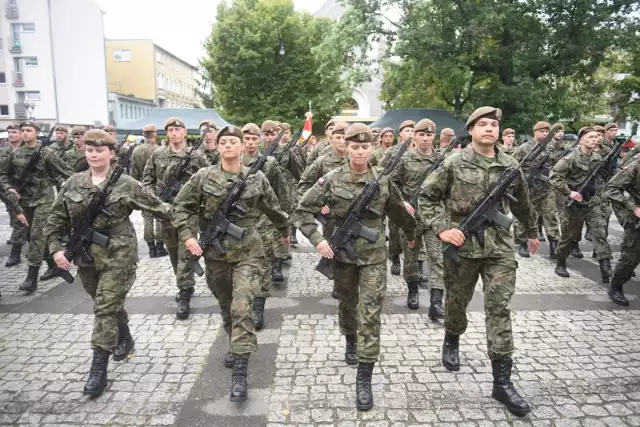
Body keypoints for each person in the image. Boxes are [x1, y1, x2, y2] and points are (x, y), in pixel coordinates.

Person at [419, 107, 538, 417]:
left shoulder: (510, 164)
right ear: (470, 130)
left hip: (499, 247)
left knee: (499, 308)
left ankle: (502, 382)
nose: (489, 129)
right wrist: (444, 228)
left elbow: (523, 202)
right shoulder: (454, 162)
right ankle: (452, 338)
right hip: (464, 245)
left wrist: (533, 231)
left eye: (494, 124)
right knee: (456, 302)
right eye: (482, 124)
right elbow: (427, 197)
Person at [295, 123, 416, 411]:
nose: (360, 151)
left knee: (371, 312)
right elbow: (302, 209)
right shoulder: (332, 179)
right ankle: (350, 338)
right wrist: (317, 239)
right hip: (343, 256)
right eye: (354, 146)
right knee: (348, 305)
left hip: (374, 256)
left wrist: (412, 235)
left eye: (365, 147)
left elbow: (399, 211)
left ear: (371, 148)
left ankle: (364, 376)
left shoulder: (383, 181)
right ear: (345, 147)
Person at [43, 129, 172, 397]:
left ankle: (98, 368)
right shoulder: (73, 183)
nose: (94, 154)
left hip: (119, 254)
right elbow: (56, 219)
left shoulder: (126, 183)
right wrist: (56, 249)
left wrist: (188, 220)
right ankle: (124, 336)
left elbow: (159, 208)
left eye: (99, 150)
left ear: (111, 154)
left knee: (104, 308)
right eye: (90, 150)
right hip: (87, 258)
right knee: (106, 303)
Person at [173, 125, 290, 402]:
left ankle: (240, 370)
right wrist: (188, 235)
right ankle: (234, 339)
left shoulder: (257, 177)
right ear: (218, 146)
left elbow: (273, 209)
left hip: (249, 251)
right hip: (215, 253)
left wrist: (285, 233)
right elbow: (181, 206)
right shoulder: (203, 176)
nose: (227, 145)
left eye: (232, 142)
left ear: (241, 146)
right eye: (223, 141)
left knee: (242, 307)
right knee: (227, 307)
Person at [142, 117, 210, 319]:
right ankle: (184, 283)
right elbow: (147, 180)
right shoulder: (158, 154)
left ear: (184, 133)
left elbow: (208, 178)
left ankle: (185, 291)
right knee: (172, 251)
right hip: (166, 211)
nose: (174, 133)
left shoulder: (196, 156)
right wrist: (154, 201)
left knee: (185, 251)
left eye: (177, 129)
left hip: (188, 212)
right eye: (170, 130)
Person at [0, 120, 74, 291]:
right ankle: (53, 265)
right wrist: (9, 187)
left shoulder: (46, 153)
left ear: (36, 133)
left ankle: (31, 278)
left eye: (28, 130)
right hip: (24, 201)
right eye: (23, 130)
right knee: (31, 236)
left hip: (44, 200)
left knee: (37, 236)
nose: (25, 133)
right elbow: (3, 175)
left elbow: (67, 171)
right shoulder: (15, 154)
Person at [240, 122, 291, 330]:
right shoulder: (233, 161)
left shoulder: (268, 163)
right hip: (239, 222)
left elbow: (280, 194)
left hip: (264, 221)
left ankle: (258, 307)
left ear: (259, 139)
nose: (251, 143)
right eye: (247, 138)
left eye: (254, 138)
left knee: (263, 265)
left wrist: (283, 224)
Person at [391, 118, 444, 316]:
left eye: (429, 135)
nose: (425, 138)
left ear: (434, 137)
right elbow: (391, 183)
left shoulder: (441, 160)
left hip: (435, 217)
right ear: (414, 136)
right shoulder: (405, 159)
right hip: (411, 217)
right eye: (421, 134)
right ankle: (413, 290)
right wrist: (401, 202)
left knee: (437, 258)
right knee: (411, 258)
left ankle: (436, 300)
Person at [550, 126, 612, 283]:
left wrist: (601, 193)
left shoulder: (598, 157)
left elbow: (599, 180)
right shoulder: (570, 158)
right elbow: (555, 176)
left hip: (591, 202)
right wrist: (569, 192)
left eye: (596, 137)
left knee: (599, 232)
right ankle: (561, 262)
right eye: (590, 137)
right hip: (573, 204)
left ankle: (605, 267)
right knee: (568, 236)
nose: (594, 139)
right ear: (582, 139)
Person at [512, 122, 560, 258]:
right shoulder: (524, 148)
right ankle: (522, 243)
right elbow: (513, 165)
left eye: (547, 132)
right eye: (542, 131)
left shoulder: (552, 148)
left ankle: (554, 245)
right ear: (535, 132)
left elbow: (558, 165)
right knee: (525, 215)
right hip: (529, 190)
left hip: (546, 190)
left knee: (551, 217)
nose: (545, 134)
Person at [606, 156, 640, 305]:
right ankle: (616, 286)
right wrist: (633, 208)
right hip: (637, 220)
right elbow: (612, 188)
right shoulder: (636, 165)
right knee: (630, 258)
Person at [131, 124, 168, 258]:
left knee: (147, 218)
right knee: (159, 217)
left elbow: (133, 173)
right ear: (155, 133)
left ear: (143, 133)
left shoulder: (136, 150)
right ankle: (159, 246)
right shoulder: (160, 150)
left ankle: (151, 247)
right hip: (157, 186)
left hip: (143, 186)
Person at [1, 123, 27, 267]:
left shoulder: (27, 150)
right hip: (8, 190)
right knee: (19, 220)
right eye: (9, 132)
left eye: (14, 132)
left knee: (22, 221)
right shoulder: (4, 151)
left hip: (26, 191)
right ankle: (16, 253)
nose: (11, 135)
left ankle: (16, 253)